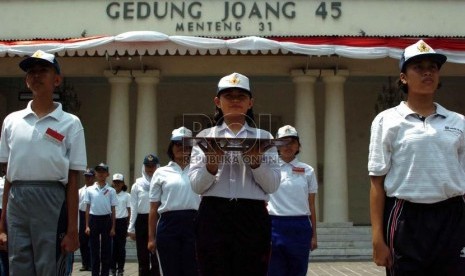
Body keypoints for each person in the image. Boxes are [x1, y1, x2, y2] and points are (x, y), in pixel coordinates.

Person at [368, 39, 465, 275]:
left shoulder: (458, 122)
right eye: (418, 68)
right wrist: (377, 238)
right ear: (403, 77)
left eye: (432, 67)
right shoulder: (387, 120)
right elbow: (377, 182)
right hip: (405, 218)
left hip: (451, 217)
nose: (427, 72)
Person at [0, 50, 87, 275]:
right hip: (17, 199)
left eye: (43, 71)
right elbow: (8, 175)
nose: (36, 76)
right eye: (31, 72)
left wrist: (72, 230)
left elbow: (73, 179)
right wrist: (2, 224)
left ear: (56, 79)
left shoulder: (70, 123)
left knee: (49, 265)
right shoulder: (12, 121)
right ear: (26, 80)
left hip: (52, 199)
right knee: (18, 264)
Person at [188, 72, 281, 276]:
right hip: (213, 214)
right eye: (229, 96)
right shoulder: (205, 137)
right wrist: (212, 163)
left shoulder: (265, 138)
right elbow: (196, 186)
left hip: (252, 215)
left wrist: (256, 162)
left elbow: (273, 185)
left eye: (241, 96)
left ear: (250, 102)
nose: (235, 101)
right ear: (218, 102)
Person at [148, 127, 200, 276]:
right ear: (171, 147)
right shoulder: (160, 172)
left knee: (193, 269)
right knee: (170, 269)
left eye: (186, 145)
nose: (181, 148)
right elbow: (153, 208)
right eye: (177, 144)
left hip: (194, 224)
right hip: (168, 225)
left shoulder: (199, 170)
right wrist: (151, 238)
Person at [267, 125, 318, 276]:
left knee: (298, 271)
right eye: (283, 142)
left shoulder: (308, 170)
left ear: (298, 146)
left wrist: (314, 235)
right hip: (274, 225)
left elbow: (311, 204)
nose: (288, 146)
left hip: (300, 226)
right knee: (273, 271)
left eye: (292, 142)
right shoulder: (269, 168)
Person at [128, 154, 161, 276]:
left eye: (153, 166)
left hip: (157, 220)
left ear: (157, 167)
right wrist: (131, 227)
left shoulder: (161, 183)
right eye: (147, 166)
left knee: (156, 257)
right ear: (144, 167)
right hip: (141, 221)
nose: (150, 169)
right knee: (142, 257)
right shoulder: (137, 185)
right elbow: (134, 207)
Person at [84, 163, 118, 276]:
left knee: (106, 250)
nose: (101, 174)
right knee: (94, 249)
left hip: (106, 220)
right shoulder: (89, 189)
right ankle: (94, 273)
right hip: (94, 219)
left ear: (107, 174)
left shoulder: (111, 190)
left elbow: (113, 209)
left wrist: (113, 227)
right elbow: (87, 208)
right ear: (96, 174)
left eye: (103, 172)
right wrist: (87, 225)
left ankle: (104, 273)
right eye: (98, 172)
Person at [111, 173, 131, 276]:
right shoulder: (110, 193)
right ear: (113, 183)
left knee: (121, 247)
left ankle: (120, 269)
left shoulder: (127, 196)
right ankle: (112, 268)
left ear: (123, 183)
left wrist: (128, 226)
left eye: (119, 182)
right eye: (115, 182)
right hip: (111, 223)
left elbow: (129, 211)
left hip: (122, 223)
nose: (117, 184)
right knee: (112, 247)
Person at [79, 168, 95, 272]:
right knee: (83, 241)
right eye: (86, 176)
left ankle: (92, 263)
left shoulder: (95, 189)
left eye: (89, 176)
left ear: (93, 177)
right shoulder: (80, 191)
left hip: (93, 215)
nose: (87, 178)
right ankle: (85, 263)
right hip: (82, 215)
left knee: (92, 242)